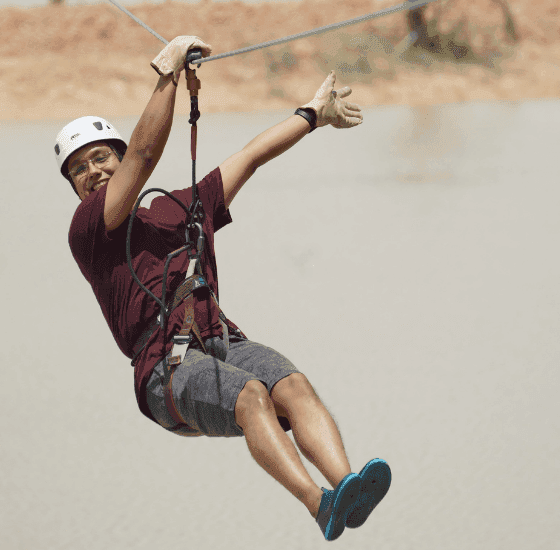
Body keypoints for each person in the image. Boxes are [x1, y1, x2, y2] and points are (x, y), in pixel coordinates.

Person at [57, 36, 390, 542]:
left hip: (222, 340)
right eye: (78, 170)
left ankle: (347, 486)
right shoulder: (89, 230)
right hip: (163, 371)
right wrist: (168, 76)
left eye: (100, 159)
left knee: (292, 385)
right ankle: (317, 503)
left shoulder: (178, 207)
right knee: (252, 395)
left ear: (116, 158)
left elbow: (250, 156)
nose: (91, 173)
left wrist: (311, 114)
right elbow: (145, 152)